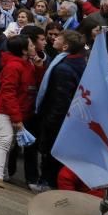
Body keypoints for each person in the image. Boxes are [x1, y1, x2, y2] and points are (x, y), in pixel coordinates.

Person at [35, 30, 87, 190]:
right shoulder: (78, 62)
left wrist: (50, 121)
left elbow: (60, 101)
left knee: (50, 153)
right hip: (69, 120)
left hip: (58, 119)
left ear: (65, 46)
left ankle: (47, 183)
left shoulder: (63, 69)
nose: (54, 39)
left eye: (58, 38)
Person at [0, 35, 44, 188]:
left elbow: (35, 83)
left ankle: (4, 173)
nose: (34, 47)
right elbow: (8, 93)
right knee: (5, 140)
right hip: (9, 110)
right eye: (31, 45)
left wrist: (39, 68)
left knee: (11, 142)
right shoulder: (14, 66)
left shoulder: (28, 63)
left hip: (18, 110)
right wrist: (16, 117)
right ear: (23, 50)